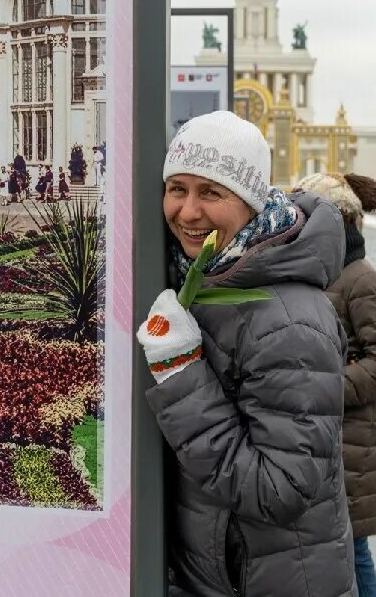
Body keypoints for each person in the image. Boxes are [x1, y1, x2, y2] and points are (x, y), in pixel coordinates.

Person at [137, 111, 356, 597]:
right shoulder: (200, 278)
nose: (188, 212)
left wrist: (180, 372)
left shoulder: (289, 319)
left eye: (211, 193)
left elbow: (281, 489)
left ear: (252, 203)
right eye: (177, 188)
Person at [295, 172, 376, 597]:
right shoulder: (324, 273)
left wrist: (324, 389)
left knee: (352, 552)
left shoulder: (361, 280)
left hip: (353, 444)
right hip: (331, 439)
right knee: (339, 551)